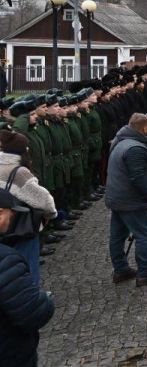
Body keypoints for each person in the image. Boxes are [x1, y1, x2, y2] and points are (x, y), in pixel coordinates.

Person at [104, 113, 147, 286]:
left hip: (116, 196)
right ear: (145, 128)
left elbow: (139, 141)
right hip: (130, 200)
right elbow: (138, 177)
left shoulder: (121, 138)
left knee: (117, 235)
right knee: (144, 234)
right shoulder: (135, 149)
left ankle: (121, 270)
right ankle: (145, 272)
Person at [0, 188, 55, 367]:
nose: (13, 217)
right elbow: (34, 312)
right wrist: (44, 300)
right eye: (11, 213)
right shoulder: (5, 259)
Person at [0, 130, 57, 286]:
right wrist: (51, 214)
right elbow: (44, 200)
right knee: (28, 267)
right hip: (22, 227)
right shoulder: (19, 172)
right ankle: (32, 299)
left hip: (3, 226)